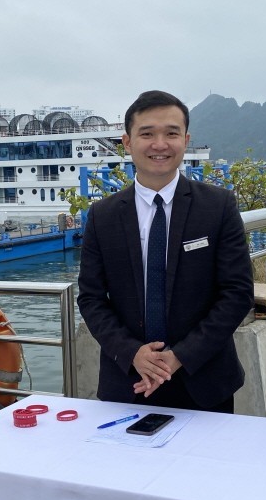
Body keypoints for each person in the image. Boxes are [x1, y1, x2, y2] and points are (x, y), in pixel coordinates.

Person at [77, 90, 254, 413]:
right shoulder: (103, 216)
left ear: (185, 140)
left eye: (171, 134)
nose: (160, 145)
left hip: (204, 381)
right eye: (147, 134)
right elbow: (91, 297)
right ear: (127, 142)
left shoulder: (218, 206)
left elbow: (237, 293)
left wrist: (179, 357)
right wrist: (132, 353)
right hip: (128, 380)